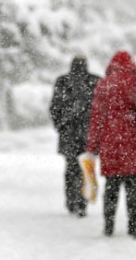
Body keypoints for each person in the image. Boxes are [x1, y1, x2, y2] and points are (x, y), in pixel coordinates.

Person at [86, 51, 136, 239]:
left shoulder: (104, 84)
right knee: (133, 184)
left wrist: (92, 146)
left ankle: (108, 226)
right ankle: (133, 227)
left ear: (111, 66)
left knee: (111, 185)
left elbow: (97, 118)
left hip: (111, 140)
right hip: (134, 139)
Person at [50, 55, 100, 217]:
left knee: (71, 167)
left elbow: (55, 107)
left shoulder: (63, 81)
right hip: (89, 134)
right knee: (87, 167)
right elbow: (103, 109)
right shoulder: (95, 81)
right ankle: (83, 201)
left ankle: (71, 200)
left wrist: (61, 125)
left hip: (69, 133)